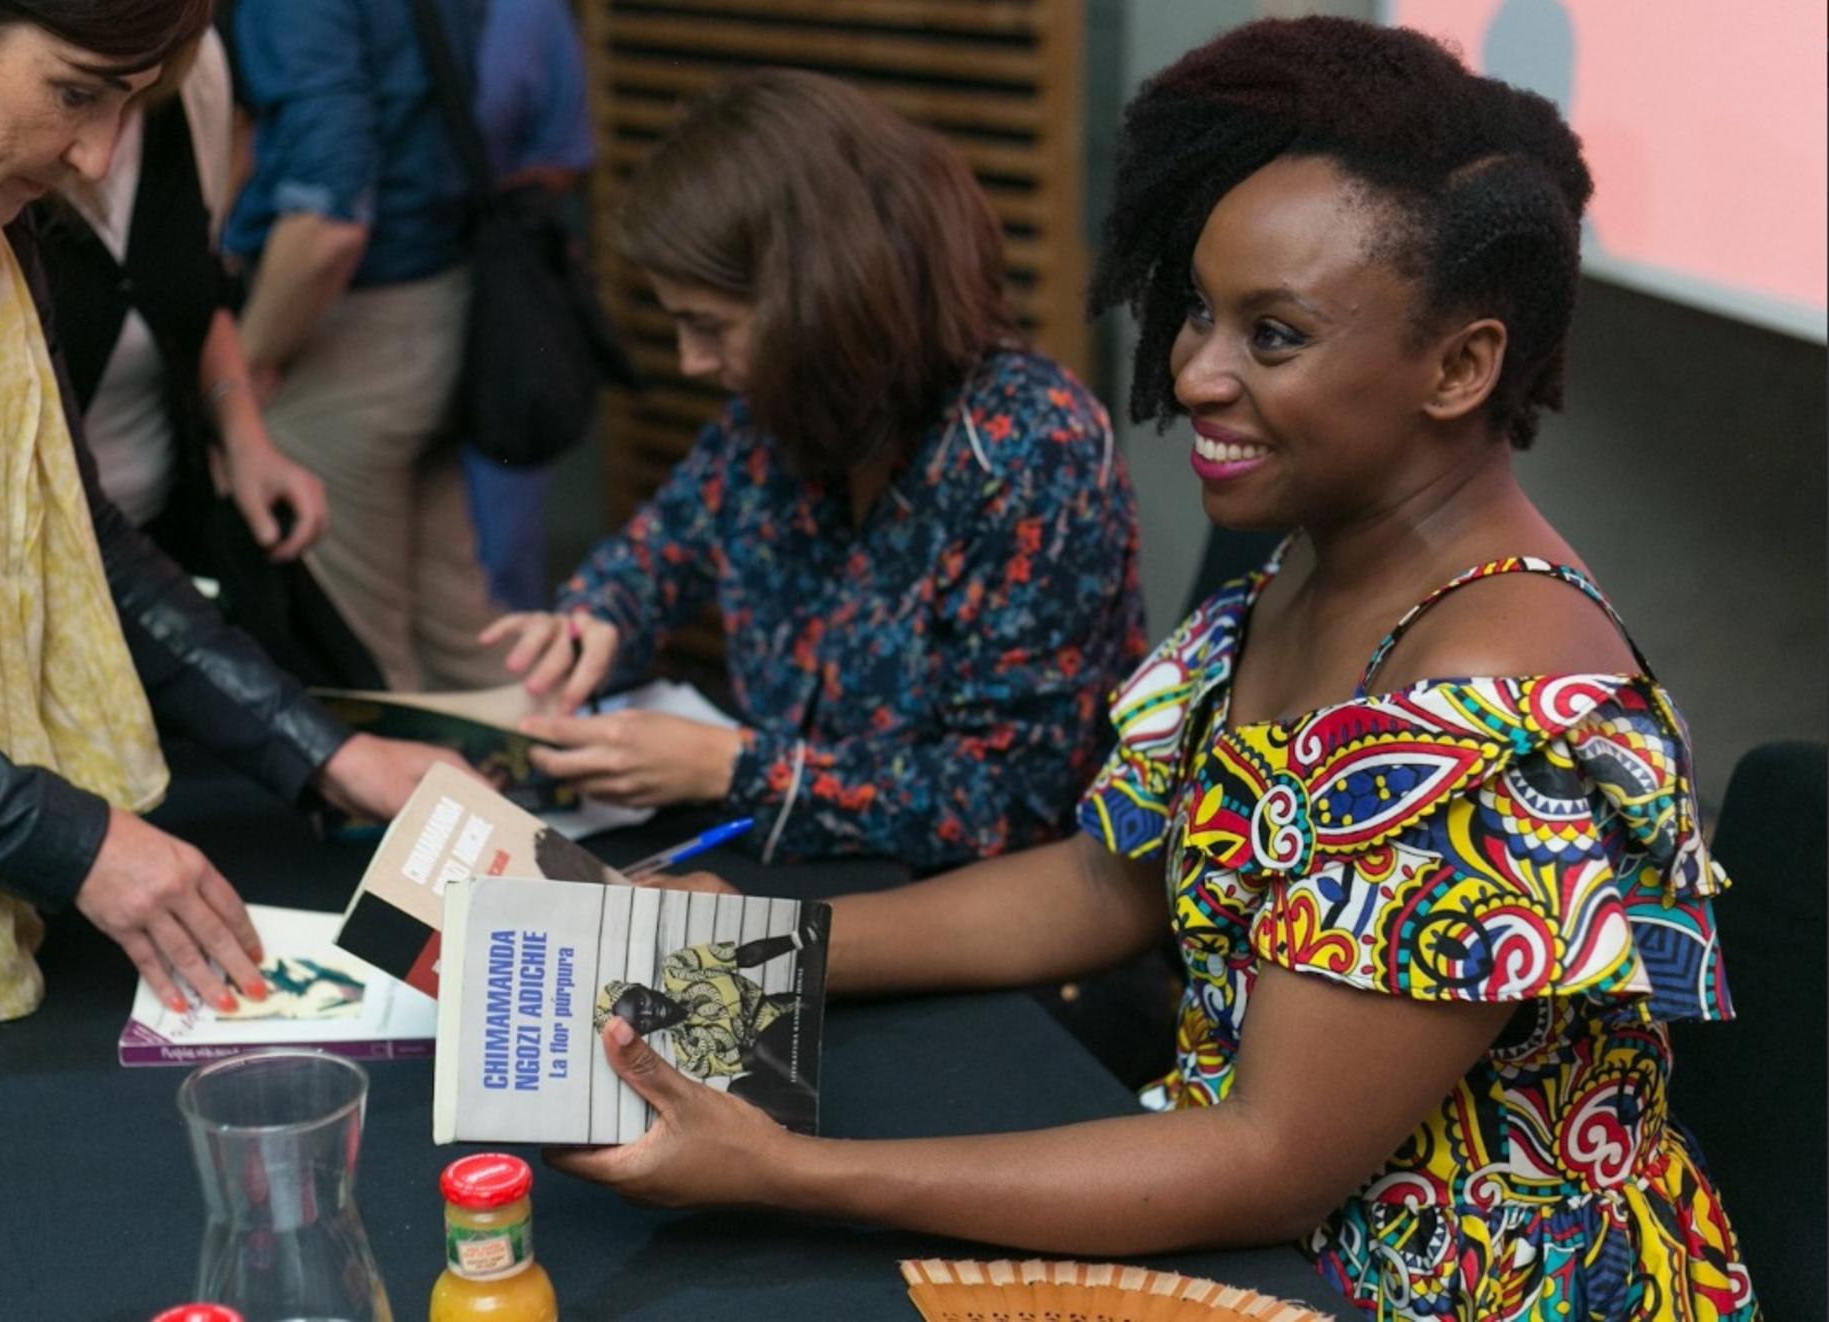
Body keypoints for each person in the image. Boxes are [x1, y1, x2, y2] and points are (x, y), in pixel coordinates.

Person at [545, 21, 1756, 1318]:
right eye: (1197, 312)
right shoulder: (1303, 576)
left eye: (1272, 335)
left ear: (1461, 365)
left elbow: (1270, 1160)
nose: (1192, 371)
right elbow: (1101, 884)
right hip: (1259, 1228)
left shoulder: (1483, 702)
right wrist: (740, 939)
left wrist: (787, 1169)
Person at [0, 0, 461, 1197]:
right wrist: (69, 836)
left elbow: (77, 538)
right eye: (76, 91)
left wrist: (325, 751)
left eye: (130, 103)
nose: (99, 156)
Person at [488, 70, 1147, 873]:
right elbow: (662, 551)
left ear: (824, 300)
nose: (693, 363)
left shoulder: (1030, 452)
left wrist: (731, 765)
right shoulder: (775, 416)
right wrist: (593, 621)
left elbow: (1012, 799)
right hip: (797, 867)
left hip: (968, 921)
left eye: (711, 327)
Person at [34, 29, 379, 689]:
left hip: (162, 535)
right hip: (38, 577)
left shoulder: (196, 74)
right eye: (77, 95)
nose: (100, 155)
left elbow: (196, 295)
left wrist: (246, 438)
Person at [223, 0, 515, 693]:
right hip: (438, 298)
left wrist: (249, 366)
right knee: (467, 642)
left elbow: (329, 219)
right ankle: (550, 792)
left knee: (362, 665)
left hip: (344, 325)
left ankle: (430, 803)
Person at [459, 0, 599, 614]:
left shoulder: (530, 12)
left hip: (500, 296)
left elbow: (565, 155)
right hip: (375, 306)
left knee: (502, 554)